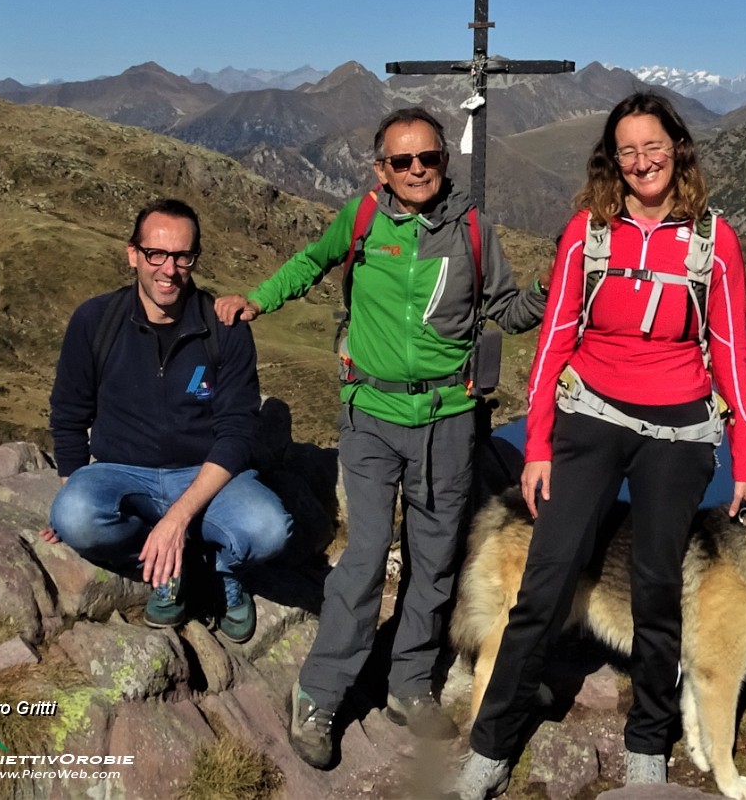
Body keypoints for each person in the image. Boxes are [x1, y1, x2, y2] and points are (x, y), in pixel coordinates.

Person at [214, 107, 547, 766]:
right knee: (365, 556)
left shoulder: (475, 231)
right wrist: (256, 299)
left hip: (449, 421)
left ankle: (408, 685)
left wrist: (551, 283)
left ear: (444, 162)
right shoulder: (361, 218)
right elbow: (311, 261)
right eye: (402, 161)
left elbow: (508, 308)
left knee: (434, 561)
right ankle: (319, 692)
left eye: (428, 158)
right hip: (369, 414)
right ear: (380, 168)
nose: (417, 169)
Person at [456, 92, 746, 799]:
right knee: (548, 574)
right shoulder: (588, 233)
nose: (641, 161)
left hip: (680, 432)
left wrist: (744, 461)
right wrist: (537, 446)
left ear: (677, 148)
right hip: (590, 418)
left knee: (657, 587)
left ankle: (648, 742)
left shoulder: (714, 241)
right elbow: (554, 341)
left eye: (653, 146)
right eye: (626, 150)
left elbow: (731, 355)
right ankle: (493, 743)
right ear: (611, 160)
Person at [46, 198, 292, 646]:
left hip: (206, 475)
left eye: (182, 256)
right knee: (74, 515)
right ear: (133, 255)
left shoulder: (225, 329)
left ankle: (218, 569)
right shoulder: (96, 321)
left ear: (194, 258)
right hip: (122, 470)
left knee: (270, 529)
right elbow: (68, 410)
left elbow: (237, 432)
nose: (168, 269)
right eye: (156, 254)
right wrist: (71, 489)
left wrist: (177, 518)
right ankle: (165, 568)